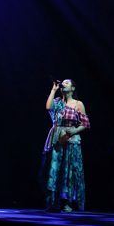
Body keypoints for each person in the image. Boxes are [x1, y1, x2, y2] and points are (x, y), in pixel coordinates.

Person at [39, 79, 90, 212]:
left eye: (67, 83)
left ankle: (68, 203)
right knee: (54, 169)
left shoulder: (78, 104)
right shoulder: (57, 102)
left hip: (71, 139)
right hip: (56, 138)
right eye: (63, 83)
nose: (63, 84)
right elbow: (48, 107)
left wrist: (74, 131)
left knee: (70, 171)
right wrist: (53, 89)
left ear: (73, 88)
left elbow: (85, 124)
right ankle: (53, 202)